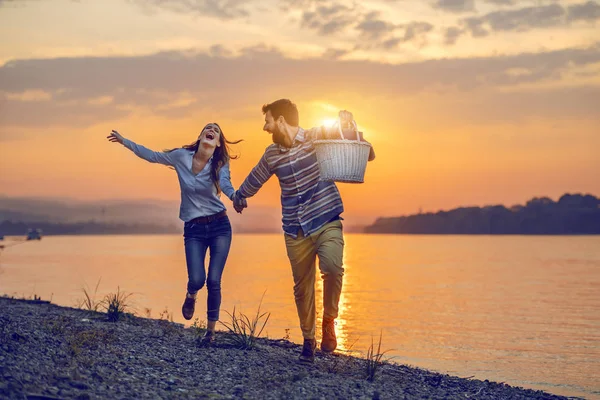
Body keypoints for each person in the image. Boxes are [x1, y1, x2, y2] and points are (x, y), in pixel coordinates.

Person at [233, 99, 375, 362]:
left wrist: (346, 123)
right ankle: (309, 340)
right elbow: (256, 177)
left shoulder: (315, 137)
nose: (265, 127)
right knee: (302, 289)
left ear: (281, 120)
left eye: (268, 121)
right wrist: (239, 196)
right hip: (295, 229)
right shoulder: (271, 154)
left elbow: (353, 141)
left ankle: (329, 320)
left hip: (326, 217)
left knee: (333, 268)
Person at [107, 123, 242, 344]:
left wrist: (235, 197)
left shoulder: (220, 163)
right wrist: (125, 142)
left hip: (220, 226)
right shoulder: (181, 156)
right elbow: (152, 156)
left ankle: (210, 333)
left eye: (216, 131)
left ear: (218, 143)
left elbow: (226, 185)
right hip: (194, 229)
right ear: (200, 136)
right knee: (197, 279)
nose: (212, 131)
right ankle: (191, 295)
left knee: (214, 280)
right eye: (208, 128)